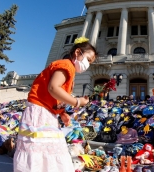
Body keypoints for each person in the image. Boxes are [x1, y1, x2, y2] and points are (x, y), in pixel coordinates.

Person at [13, 36, 97, 172]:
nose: (88, 64)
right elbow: (53, 88)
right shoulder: (66, 65)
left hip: (47, 113)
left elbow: (57, 97)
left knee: (50, 148)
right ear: (77, 52)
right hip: (39, 112)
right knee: (40, 148)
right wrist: (77, 102)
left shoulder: (69, 70)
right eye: (88, 59)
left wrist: (62, 113)